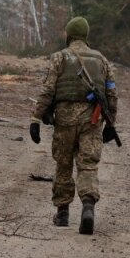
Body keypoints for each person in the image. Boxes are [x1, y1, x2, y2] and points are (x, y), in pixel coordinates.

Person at [32, 16, 118, 235]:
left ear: (69, 35)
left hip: (64, 121)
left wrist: (36, 118)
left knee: (63, 165)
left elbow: (48, 90)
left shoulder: (60, 58)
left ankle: (62, 214)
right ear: (86, 36)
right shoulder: (102, 60)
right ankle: (88, 206)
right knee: (88, 165)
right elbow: (111, 94)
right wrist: (110, 123)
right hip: (92, 121)